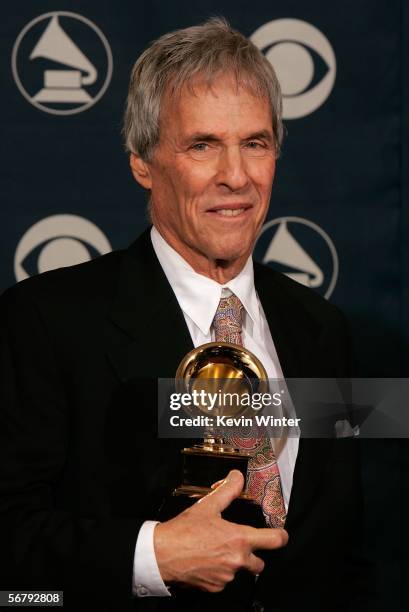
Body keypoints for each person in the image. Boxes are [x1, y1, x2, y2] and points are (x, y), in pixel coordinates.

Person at [0, 17, 370, 612]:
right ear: (142, 163)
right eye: (203, 145)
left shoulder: (323, 329)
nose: (236, 176)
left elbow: (347, 546)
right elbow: (11, 548)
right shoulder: (44, 322)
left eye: (255, 143)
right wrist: (152, 556)